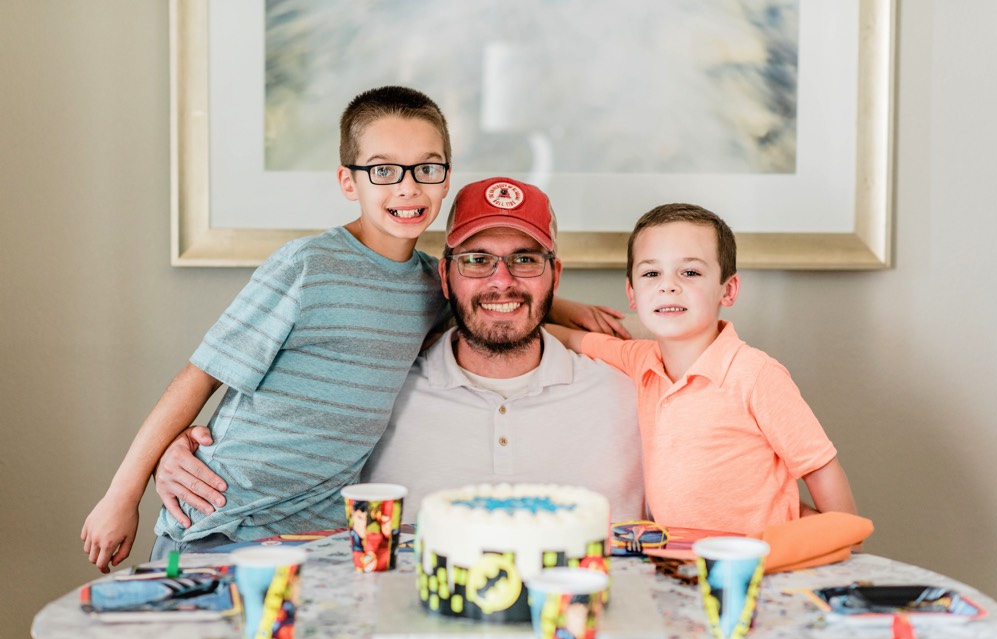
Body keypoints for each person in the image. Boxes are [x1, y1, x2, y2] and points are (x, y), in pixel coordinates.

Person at [81, 86, 623, 573]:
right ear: (348, 181)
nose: (407, 187)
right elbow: (199, 377)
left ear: (445, 179)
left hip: (320, 535)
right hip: (223, 514)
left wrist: (564, 309)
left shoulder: (426, 286)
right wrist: (122, 495)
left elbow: (490, 302)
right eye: (384, 171)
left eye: (426, 169)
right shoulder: (306, 266)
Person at [155, 177, 645, 529]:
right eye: (477, 260)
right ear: (444, 277)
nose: (502, 280)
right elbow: (289, 433)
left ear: (555, 275)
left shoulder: (631, 393)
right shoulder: (382, 389)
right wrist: (187, 451)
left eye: (525, 259)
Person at [549, 203, 857, 535]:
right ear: (632, 293)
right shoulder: (639, 359)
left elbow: (819, 467)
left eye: (690, 273)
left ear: (728, 290)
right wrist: (558, 305)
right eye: (651, 274)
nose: (668, 286)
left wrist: (848, 545)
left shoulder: (754, 374)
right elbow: (563, 336)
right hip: (679, 556)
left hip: (760, 556)